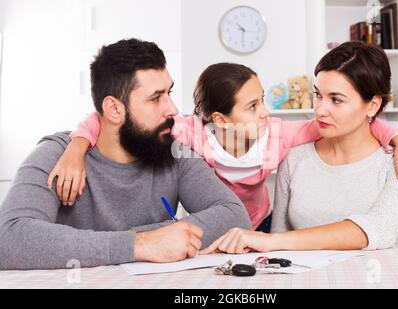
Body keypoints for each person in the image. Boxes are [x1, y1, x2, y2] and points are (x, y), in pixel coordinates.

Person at [47, 63, 398, 232]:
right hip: (209, 222)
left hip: (260, 224)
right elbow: (116, 117)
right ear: (220, 119)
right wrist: (75, 147)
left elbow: (345, 120)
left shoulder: (278, 135)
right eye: (252, 106)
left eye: (262, 100)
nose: (266, 113)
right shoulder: (190, 133)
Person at [0, 39, 251, 270]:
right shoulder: (58, 155)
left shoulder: (175, 154)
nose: (172, 109)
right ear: (114, 109)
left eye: (169, 93)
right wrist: (138, 244)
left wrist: (148, 239)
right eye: (155, 98)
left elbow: (234, 216)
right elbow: (9, 239)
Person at [200, 41, 398, 254]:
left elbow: (379, 228)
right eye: (318, 95)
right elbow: (277, 243)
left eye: (336, 100)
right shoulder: (295, 158)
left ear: (372, 105)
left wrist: (272, 241)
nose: (321, 110)